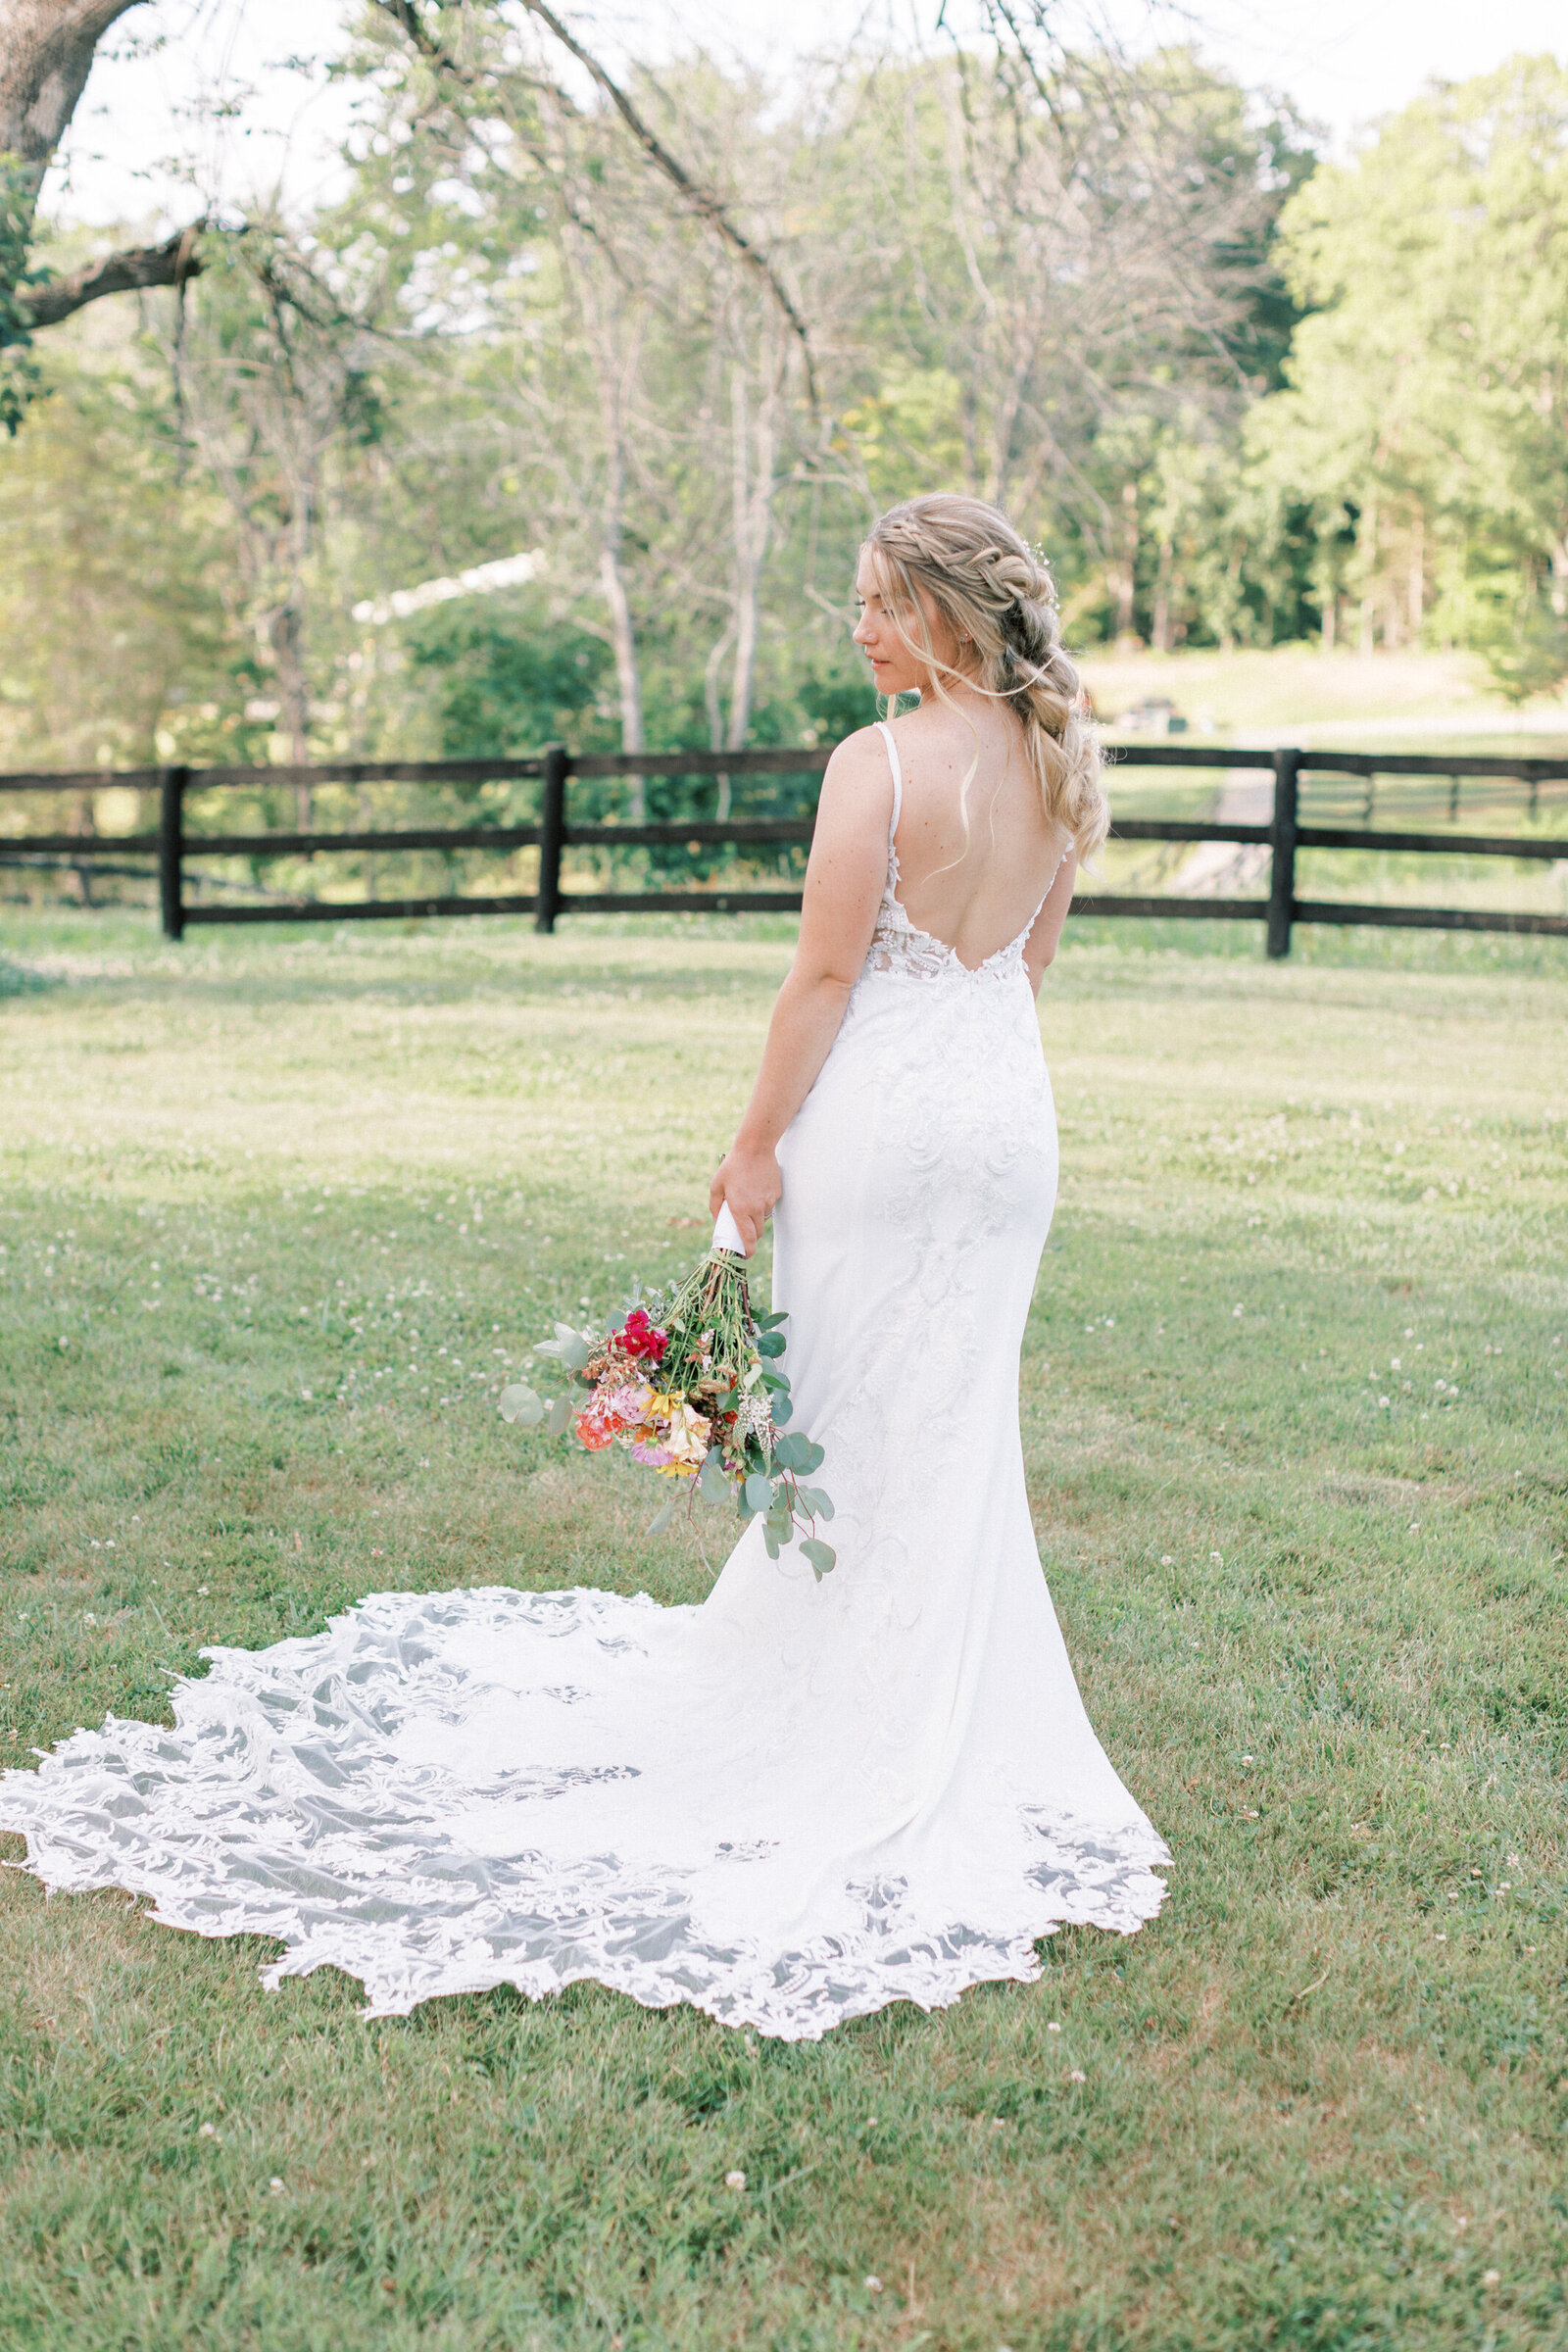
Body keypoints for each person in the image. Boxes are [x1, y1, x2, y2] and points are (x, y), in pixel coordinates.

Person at [0, 495, 1166, 2041]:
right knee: (948, 1427)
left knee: (853, 1408)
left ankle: (844, 1715)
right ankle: (913, 1702)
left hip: (882, 1131)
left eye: (883, 604)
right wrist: (967, 1073)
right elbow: (1023, 968)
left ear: (950, 612)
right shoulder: (1056, 756)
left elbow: (825, 975)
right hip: (1007, 1125)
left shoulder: (876, 765)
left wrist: (754, 1149)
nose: (862, 630)